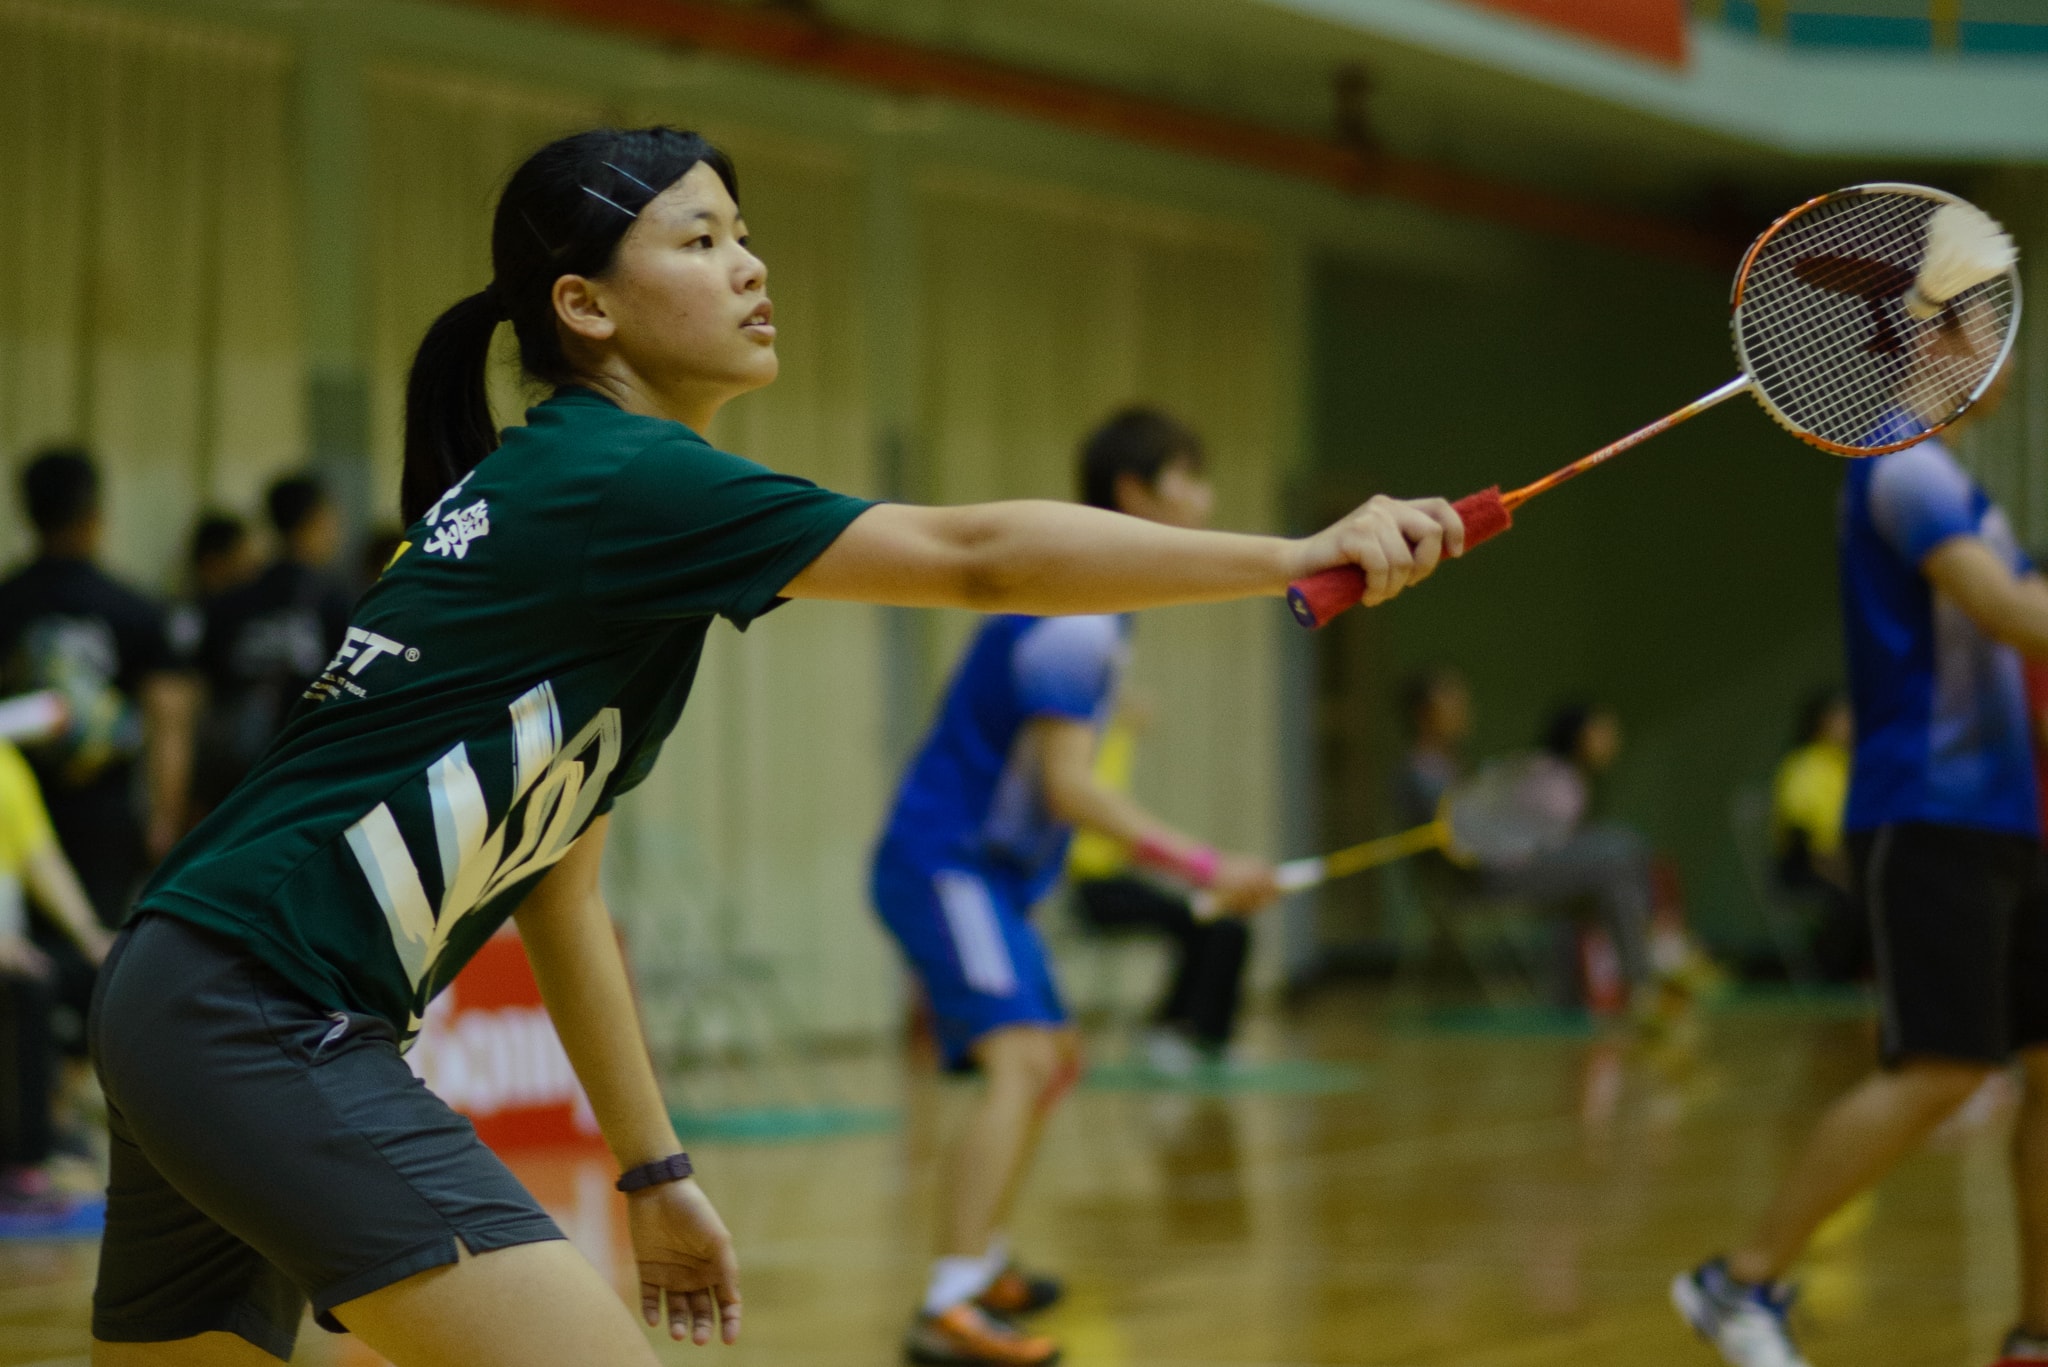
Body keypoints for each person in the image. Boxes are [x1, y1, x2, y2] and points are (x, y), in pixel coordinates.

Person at [85, 127, 1466, 1367]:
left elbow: (563, 892)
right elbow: (975, 558)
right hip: (259, 1010)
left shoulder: (574, 503)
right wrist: (1297, 552)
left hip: (184, 989)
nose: (750, 267)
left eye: (743, 236)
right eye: (699, 241)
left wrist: (652, 1167)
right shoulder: (620, 474)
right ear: (585, 306)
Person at [872, 404, 1286, 1367]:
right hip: (946, 863)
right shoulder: (1082, 620)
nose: (1206, 500)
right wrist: (1207, 866)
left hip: (989, 875)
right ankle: (948, 1304)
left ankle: (984, 1260)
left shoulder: (1100, 607)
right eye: (1189, 479)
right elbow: (1070, 788)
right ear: (1135, 493)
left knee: (1050, 1056)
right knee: (1021, 1061)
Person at [1674, 387, 2048, 1367]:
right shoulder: (1901, 463)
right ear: (1938, 332)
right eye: (1991, 322)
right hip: (1929, 809)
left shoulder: (1957, 481)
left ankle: (2035, 1335)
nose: (2005, 354)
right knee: (1944, 1066)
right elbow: (2007, 610)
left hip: (2009, 813)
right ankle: (1738, 1280)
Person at [0, 449, 195, 1045]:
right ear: (95, 516)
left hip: (17, 815)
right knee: (95, 957)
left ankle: (40, 1078)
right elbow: (169, 721)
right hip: (104, 813)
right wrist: (165, 817)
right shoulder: (133, 607)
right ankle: (76, 1074)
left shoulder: (8, 603)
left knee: (25, 965)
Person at [1066, 695, 1252, 1076]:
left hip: (1121, 880)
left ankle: (1210, 1036)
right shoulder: (1081, 759)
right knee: (1195, 919)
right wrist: (1205, 867)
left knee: (1224, 925)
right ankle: (1169, 1030)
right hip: (1093, 892)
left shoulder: (1113, 750)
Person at [192, 474, 354, 809]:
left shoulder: (231, 601)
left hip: (235, 777)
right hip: (308, 768)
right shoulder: (338, 604)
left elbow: (203, 690)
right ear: (316, 519)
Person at [0, 738, 112, 1214]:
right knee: (28, 988)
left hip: (13, 946)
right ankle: (21, 1162)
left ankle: (58, 1119)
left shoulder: (7, 763)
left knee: (106, 973)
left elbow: (41, 856)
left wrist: (91, 937)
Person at [1769, 689, 1864, 982]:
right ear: (1823, 722)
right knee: (1854, 902)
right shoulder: (1805, 767)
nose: (1851, 723)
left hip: (1845, 862)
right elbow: (1805, 840)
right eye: (1843, 716)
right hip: (1807, 865)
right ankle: (1827, 974)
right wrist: (1843, 873)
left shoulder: (1847, 765)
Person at [166, 513, 256, 664]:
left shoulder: (245, 616)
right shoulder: (188, 620)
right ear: (213, 563)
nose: (253, 574)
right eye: (244, 562)